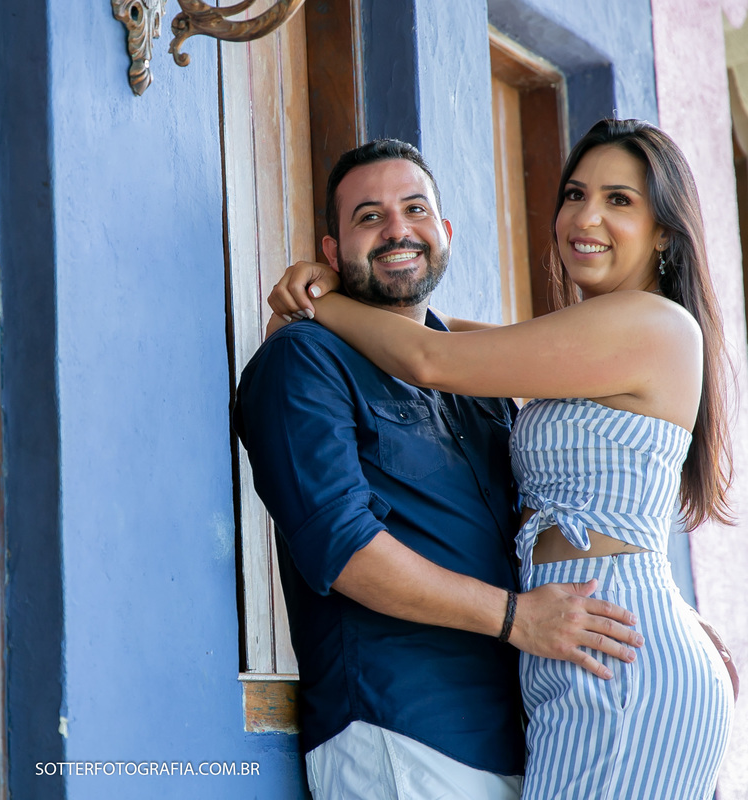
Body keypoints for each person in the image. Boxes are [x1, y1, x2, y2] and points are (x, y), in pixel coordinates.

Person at [267, 119, 737, 799]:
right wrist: (341, 286)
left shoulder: (654, 323)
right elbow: (439, 332)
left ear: (666, 230)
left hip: (615, 657)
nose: (587, 216)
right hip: (581, 650)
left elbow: (430, 357)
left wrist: (325, 299)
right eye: (575, 194)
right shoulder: (593, 339)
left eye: (620, 200)